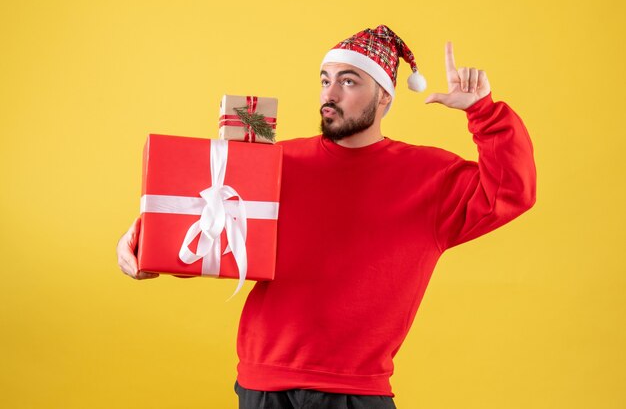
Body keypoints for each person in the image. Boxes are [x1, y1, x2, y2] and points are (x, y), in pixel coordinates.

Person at [117, 25, 536, 409]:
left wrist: (484, 113)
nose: (329, 93)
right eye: (325, 80)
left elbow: (511, 192)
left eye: (348, 81)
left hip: (357, 392)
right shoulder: (277, 162)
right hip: (263, 386)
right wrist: (142, 242)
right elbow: (215, 229)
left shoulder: (431, 178)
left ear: (385, 96)